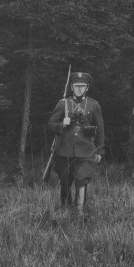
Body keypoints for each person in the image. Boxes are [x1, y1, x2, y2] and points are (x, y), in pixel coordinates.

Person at [47, 71, 104, 217]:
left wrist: (99, 151)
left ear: (87, 88)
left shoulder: (94, 105)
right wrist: (61, 124)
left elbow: (101, 130)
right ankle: (65, 208)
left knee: (82, 180)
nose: (79, 89)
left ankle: (79, 210)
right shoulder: (63, 104)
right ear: (72, 87)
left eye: (82, 86)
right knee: (65, 181)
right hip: (64, 150)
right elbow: (50, 125)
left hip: (85, 151)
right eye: (77, 86)